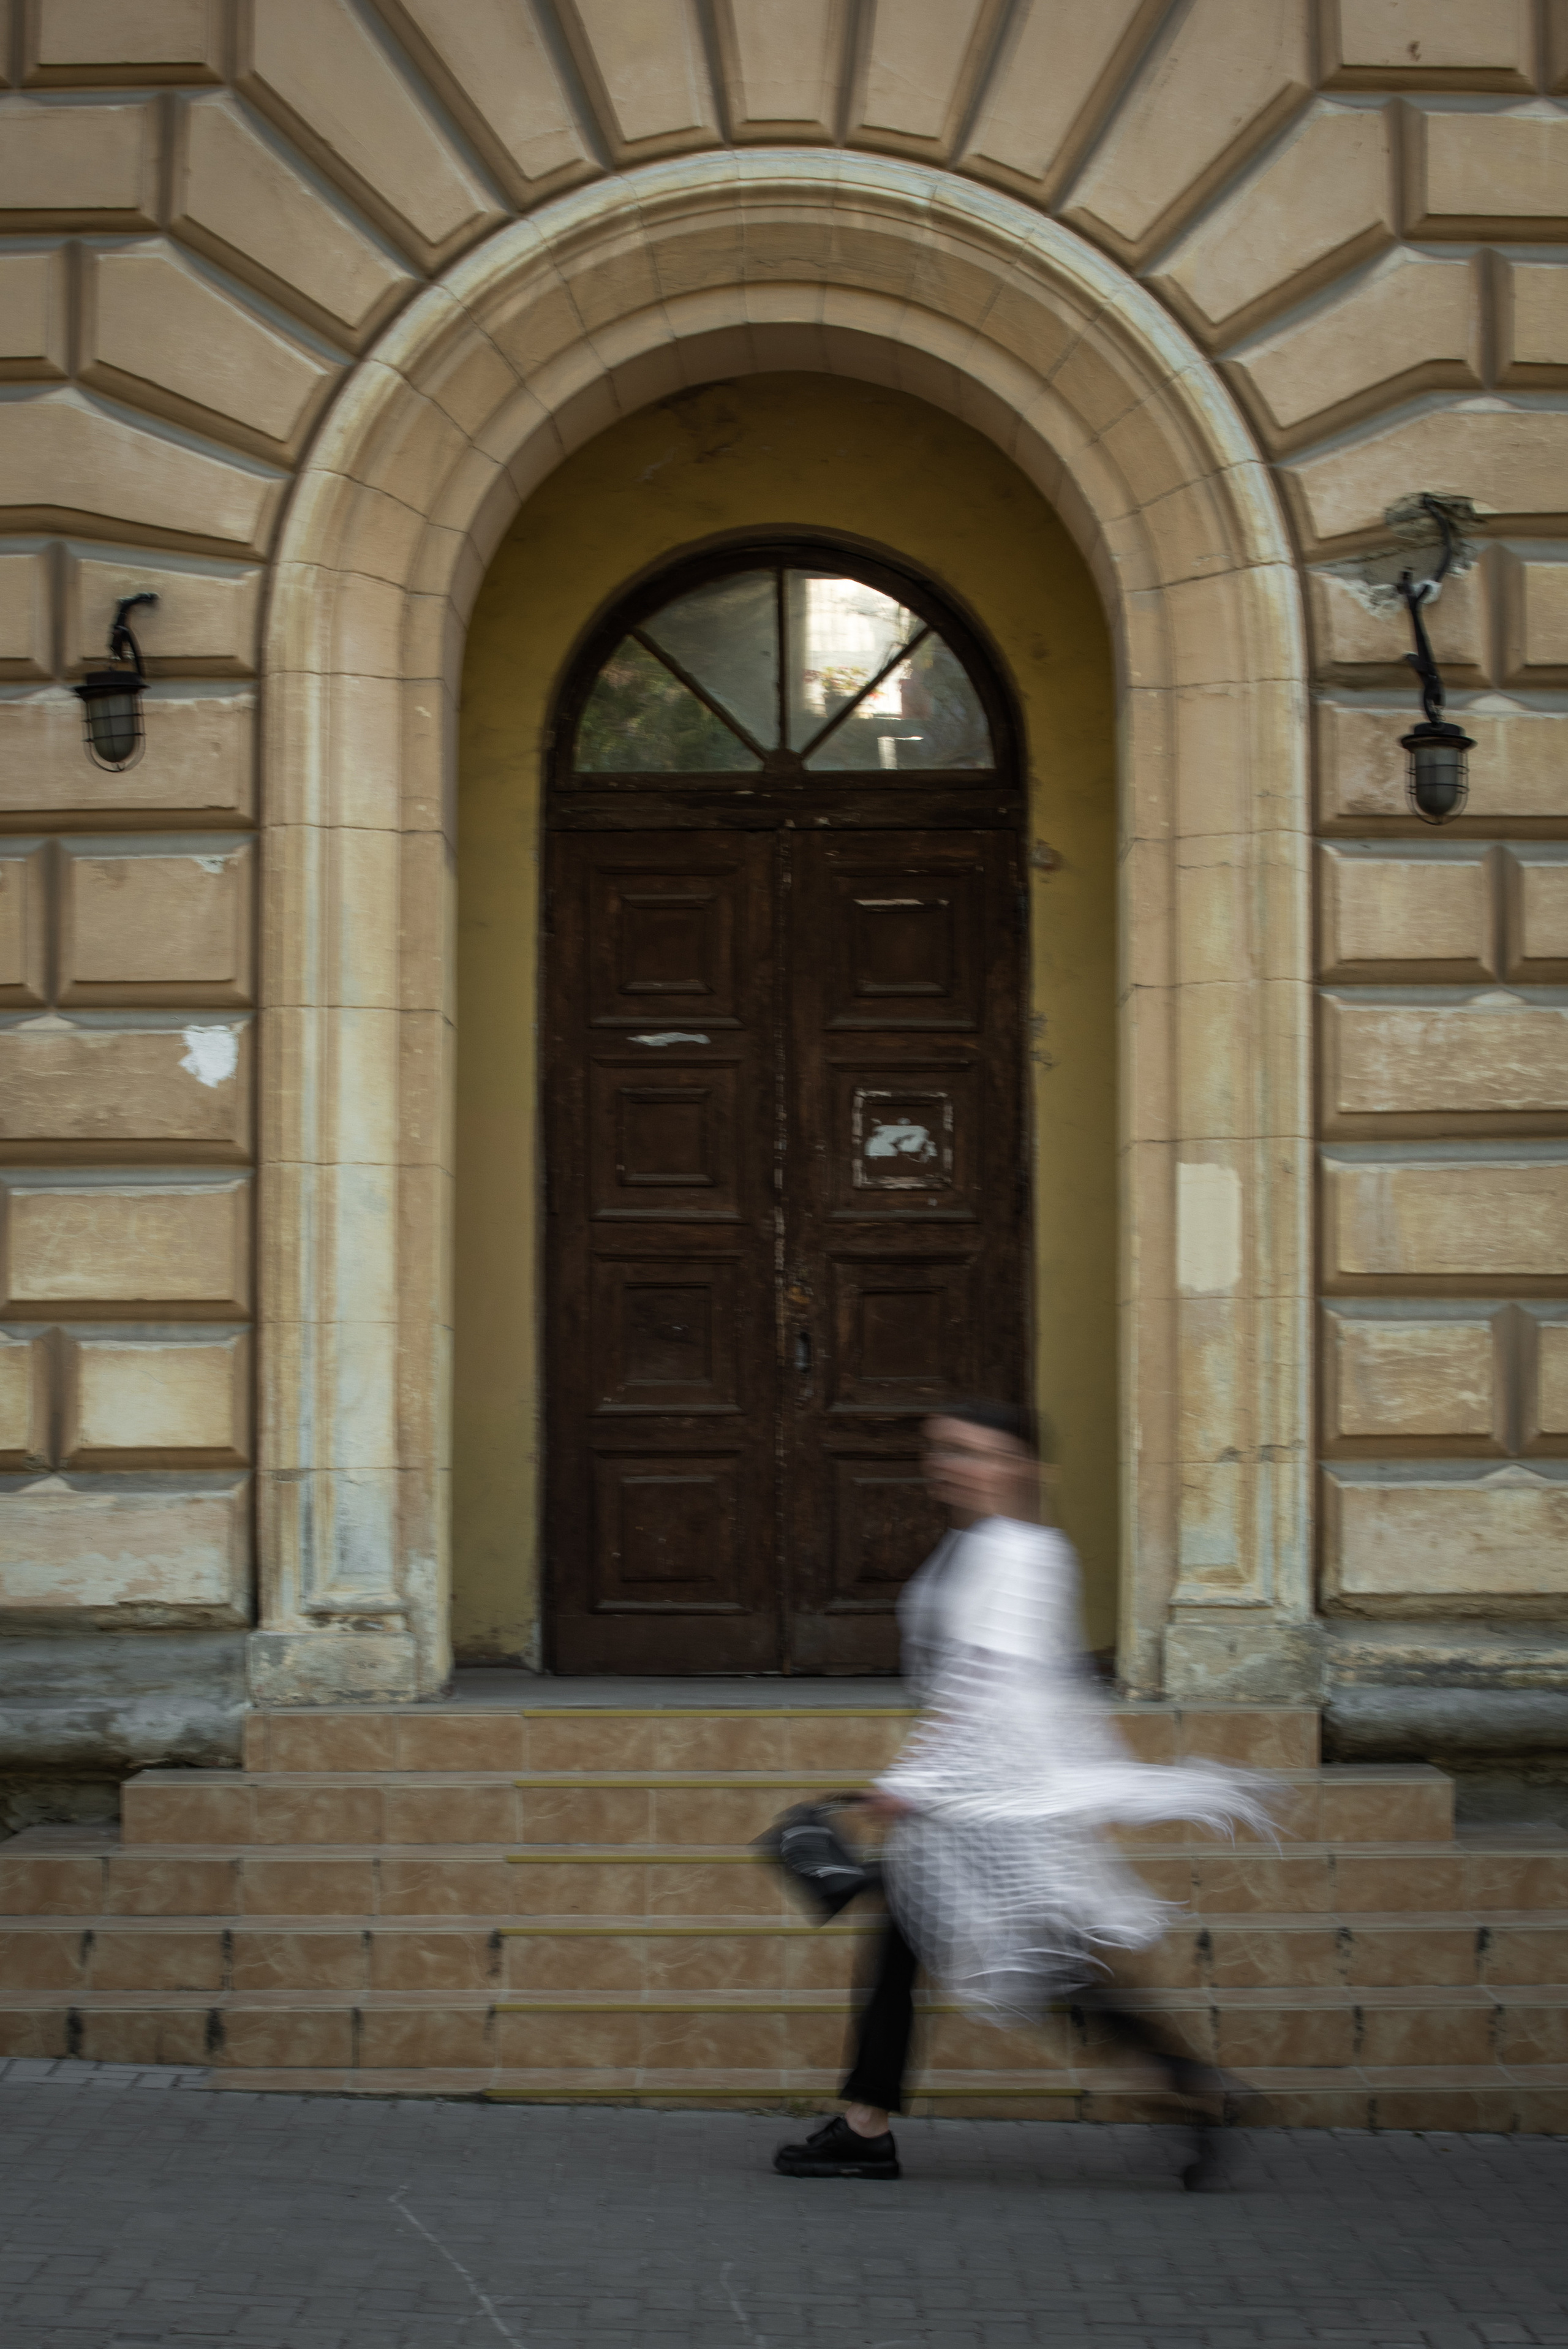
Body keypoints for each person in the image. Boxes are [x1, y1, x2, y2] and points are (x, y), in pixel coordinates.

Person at [773, 1401, 1273, 2188]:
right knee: (920, 1952)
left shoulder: (1019, 1553)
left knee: (1043, 1963)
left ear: (1022, 1467)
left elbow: (987, 1685)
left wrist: (909, 1785)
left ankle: (1188, 2084)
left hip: (990, 1803)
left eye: (977, 1452)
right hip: (972, 1795)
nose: (955, 1465)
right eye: (946, 1449)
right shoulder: (981, 1547)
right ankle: (866, 2127)